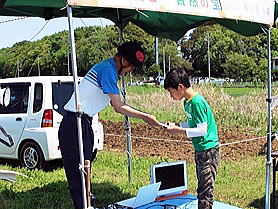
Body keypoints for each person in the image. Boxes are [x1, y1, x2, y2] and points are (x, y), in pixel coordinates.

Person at [58, 41, 160, 209]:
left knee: (85, 171)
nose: (129, 72)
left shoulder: (109, 70)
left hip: (83, 122)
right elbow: (119, 107)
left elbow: (115, 103)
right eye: (131, 68)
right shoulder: (108, 70)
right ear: (125, 61)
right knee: (79, 176)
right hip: (74, 123)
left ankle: (87, 204)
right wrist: (145, 117)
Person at [163, 69, 220, 209]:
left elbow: (202, 130)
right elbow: (193, 124)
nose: (171, 96)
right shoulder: (187, 102)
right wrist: (178, 125)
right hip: (200, 150)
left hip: (208, 151)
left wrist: (178, 131)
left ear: (180, 87)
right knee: (201, 187)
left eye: (171, 92)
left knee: (205, 191)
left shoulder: (197, 102)